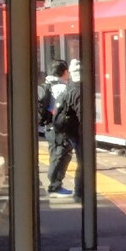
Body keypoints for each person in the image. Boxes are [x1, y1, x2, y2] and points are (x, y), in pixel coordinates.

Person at [52, 58, 85, 203]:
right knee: (83, 162)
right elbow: (81, 114)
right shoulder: (78, 91)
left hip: (70, 131)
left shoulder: (70, 87)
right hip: (78, 132)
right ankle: (79, 193)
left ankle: (80, 192)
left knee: (81, 161)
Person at [40, 59, 73, 195]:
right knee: (60, 155)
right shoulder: (62, 88)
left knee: (55, 154)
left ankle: (55, 184)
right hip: (59, 127)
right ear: (65, 72)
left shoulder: (48, 84)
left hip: (49, 126)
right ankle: (55, 186)